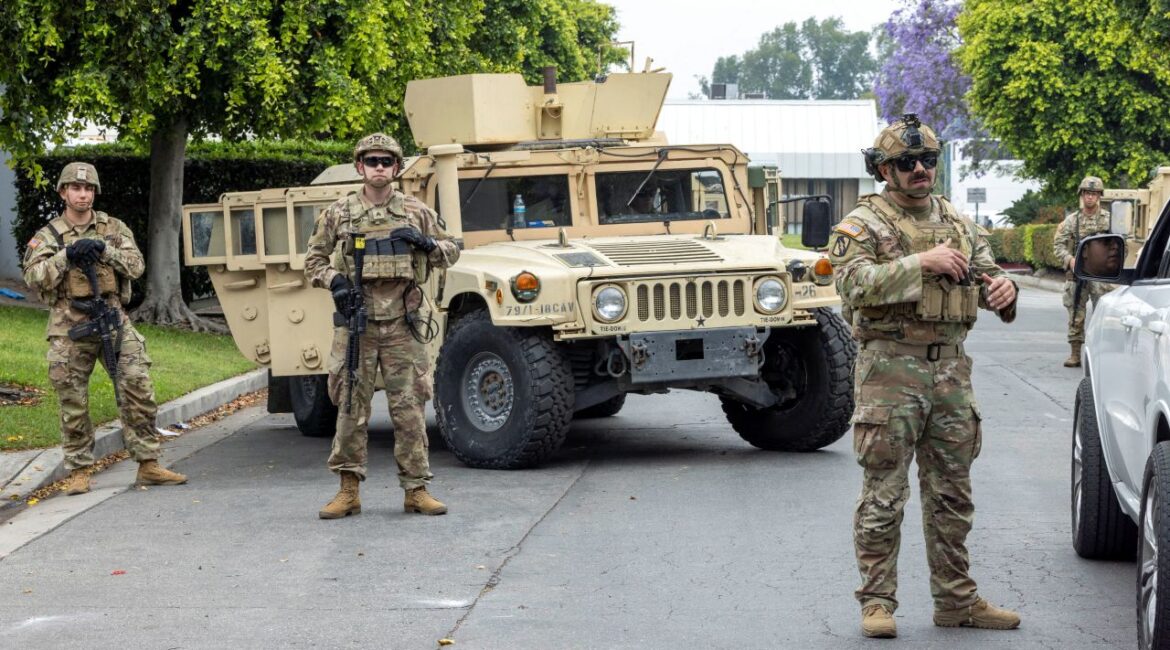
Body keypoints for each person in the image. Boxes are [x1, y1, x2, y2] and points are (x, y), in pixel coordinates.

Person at [830, 114, 1021, 639]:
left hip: (952, 370)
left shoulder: (959, 223)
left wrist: (1004, 292)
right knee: (883, 493)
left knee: (952, 493)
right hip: (890, 368)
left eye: (928, 160)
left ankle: (957, 601)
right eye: (906, 163)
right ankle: (876, 602)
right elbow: (852, 285)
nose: (920, 169)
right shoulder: (862, 225)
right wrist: (922, 263)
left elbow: (988, 275)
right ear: (883, 170)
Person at [304, 133, 460, 519]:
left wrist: (426, 244)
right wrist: (334, 281)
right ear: (360, 166)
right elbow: (313, 262)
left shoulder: (415, 210)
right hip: (357, 324)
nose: (378, 168)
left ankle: (416, 489)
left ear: (396, 168)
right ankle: (348, 490)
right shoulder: (338, 213)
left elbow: (453, 249)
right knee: (350, 407)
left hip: (403, 324)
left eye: (386, 162)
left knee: (409, 407)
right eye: (371, 161)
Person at [22, 162, 188, 495]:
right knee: (72, 400)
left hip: (112, 319)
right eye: (75, 188)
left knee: (137, 388)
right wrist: (66, 255)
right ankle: (79, 471)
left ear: (94, 193)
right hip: (70, 325)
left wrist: (105, 249)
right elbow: (33, 277)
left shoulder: (112, 227)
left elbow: (137, 266)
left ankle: (148, 464)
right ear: (63, 193)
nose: (82, 195)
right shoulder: (49, 235)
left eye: (88, 189)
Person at [1052, 176, 1113, 367]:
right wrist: (1069, 259)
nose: (1090, 197)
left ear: (1099, 196)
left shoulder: (1108, 220)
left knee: (1102, 315)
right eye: (1087, 193)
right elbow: (1058, 245)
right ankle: (1075, 354)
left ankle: (1100, 355)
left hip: (1100, 274)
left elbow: (1120, 245)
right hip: (1077, 274)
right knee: (1075, 315)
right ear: (1082, 195)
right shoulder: (1071, 221)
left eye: (1094, 194)